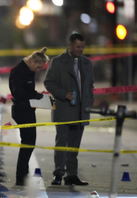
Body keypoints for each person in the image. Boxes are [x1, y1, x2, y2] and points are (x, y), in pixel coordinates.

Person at [44, 33, 94, 186]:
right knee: (61, 144)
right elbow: (49, 83)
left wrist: (89, 101)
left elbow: (90, 85)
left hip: (81, 110)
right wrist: (63, 94)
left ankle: (72, 175)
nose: (81, 50)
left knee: (74, 146)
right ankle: (59, 174)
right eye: (78, 47)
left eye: (83, 47)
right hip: (64, 109)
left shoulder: (86, 63)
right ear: (70, 45)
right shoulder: (57, 62)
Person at [9, 48, 49, 186]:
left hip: (28, 109)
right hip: (21, 110)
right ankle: (21, 177)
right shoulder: (18, 72)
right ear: (32, 61)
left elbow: (27, 91)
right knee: (28, 143)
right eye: (38, 67)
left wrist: (36, 95)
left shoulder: (28, 71)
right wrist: (35, 95)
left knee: (29, 143)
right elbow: (18, 93)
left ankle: (22, 175)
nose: (38, 70)